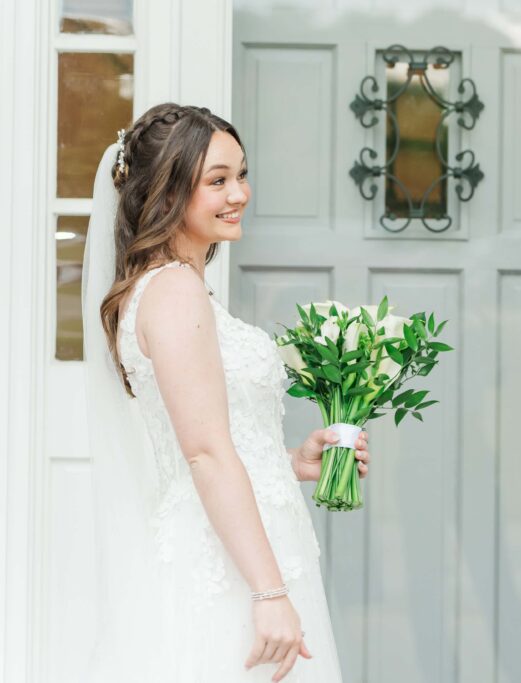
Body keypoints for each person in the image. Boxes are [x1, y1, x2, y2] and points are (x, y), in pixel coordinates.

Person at [82, 103, 368, 682]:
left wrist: (291, 462)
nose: (239, 192)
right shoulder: (174, 293)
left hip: (243, 540)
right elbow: (205, 455)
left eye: (241, 174)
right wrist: (268, 593)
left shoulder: (179, 289)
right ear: (166, 195)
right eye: (217, 180)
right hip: (224, 565)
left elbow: (219, 440)